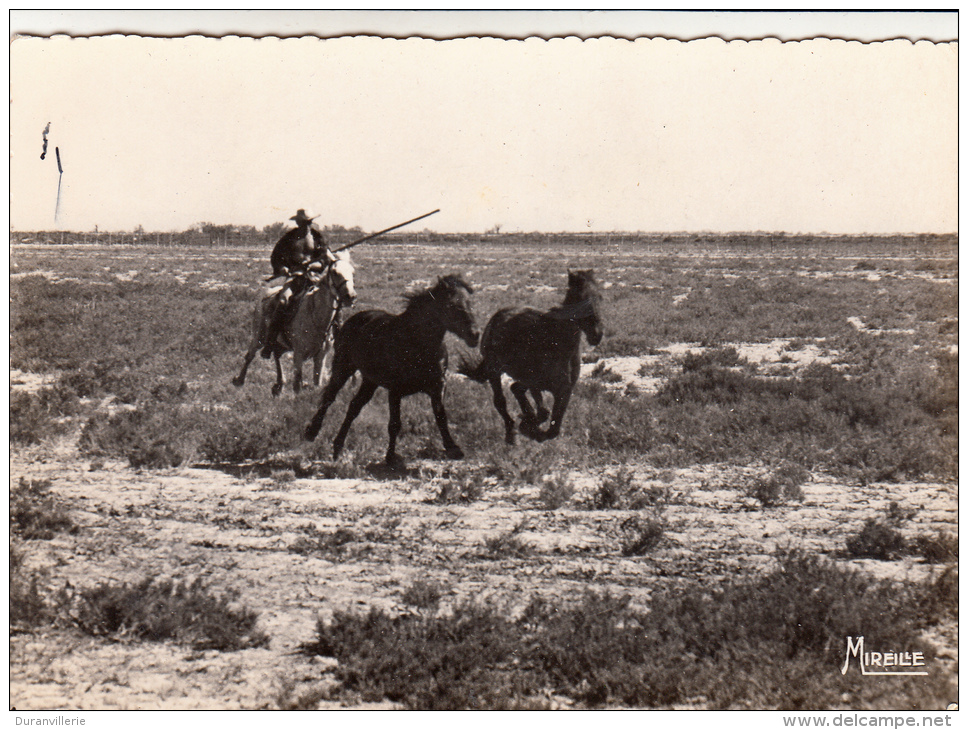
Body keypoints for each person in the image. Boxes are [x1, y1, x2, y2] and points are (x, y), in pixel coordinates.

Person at [262, 209, 335, 358]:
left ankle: (337, 339)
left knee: (332, 299)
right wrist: (283, 268)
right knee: (283, 300)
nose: (306, 225)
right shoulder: (289, 238)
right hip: (295, 278)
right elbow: (276, 257)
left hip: (314, 278)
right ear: (297, 222)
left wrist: (313, 265)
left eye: (308, 222)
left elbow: (325, 259)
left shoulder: (318, 238)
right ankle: (270, 342)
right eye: (303, 223)